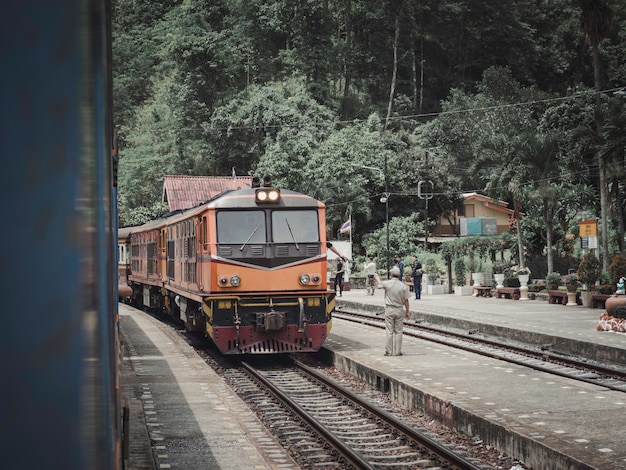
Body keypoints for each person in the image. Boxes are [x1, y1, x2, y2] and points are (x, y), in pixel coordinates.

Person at [374, 266, 410, 356]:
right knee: (399, 331)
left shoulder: (387, 284)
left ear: (391, 274)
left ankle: (389, 351)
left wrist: (378, 279)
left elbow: (379, 285)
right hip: (399, 309)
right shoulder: (403, 286)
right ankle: (398, 351)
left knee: (389, 331)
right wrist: (408, 311)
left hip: (389, 309)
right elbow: (406, 300)